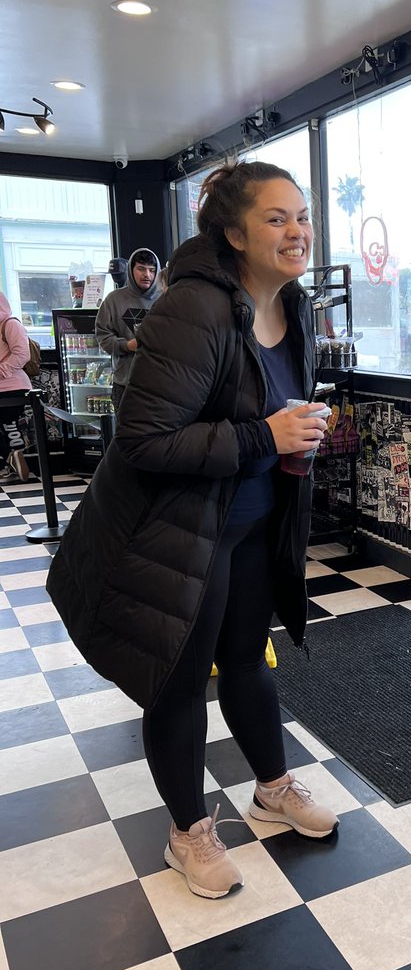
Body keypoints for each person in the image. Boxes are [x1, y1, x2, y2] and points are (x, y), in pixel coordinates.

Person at [48, 161, 338, 899]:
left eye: (301, 215)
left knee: (247, 659)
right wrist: (262, 439)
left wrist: (293, 434)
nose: (296, 230)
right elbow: (144, 441)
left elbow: (272, 413)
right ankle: (187, 834)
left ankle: (271, 787)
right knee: (178, 680)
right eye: (276, 218)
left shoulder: (294, 306)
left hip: (249, 520)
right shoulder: (194, 308)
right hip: (180, 530)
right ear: (234, 233)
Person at [94, 248, 162, 413]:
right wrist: (126, 345)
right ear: (131, 270)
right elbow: (102, 337)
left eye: (152, 270)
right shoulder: (113, 300)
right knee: (126, 433)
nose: (147, 275)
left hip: (160, 382)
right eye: (141, 269)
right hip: (125, 382)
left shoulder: (166, 299)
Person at [0, 292, 34, 482]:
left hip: (12, 386)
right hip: (8, 386)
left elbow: (22, 354)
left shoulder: (10, 324)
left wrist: (1, 370)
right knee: (9, 426)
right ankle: (13, 457)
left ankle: (12, 458)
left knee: (9, 424)